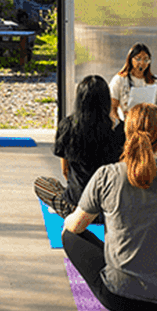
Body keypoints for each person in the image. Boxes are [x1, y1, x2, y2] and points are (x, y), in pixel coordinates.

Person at [61, 103, 157, 311]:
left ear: (126, 132)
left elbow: (75, 227)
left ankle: (123, 274)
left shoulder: (107, 175)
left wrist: (68, 217)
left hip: (119, 299)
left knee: (69, 235)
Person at [33, 74, 125, 216]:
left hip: (78, 205)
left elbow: (65, 171)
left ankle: (72, 210)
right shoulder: (120, 129)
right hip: (109, 206)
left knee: (41, 183)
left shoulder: (67, 126)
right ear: (106, 100)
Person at [108, 43, 157, 145]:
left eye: (146, 60)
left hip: (149, 124)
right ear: (130, 59)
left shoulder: (156, 81)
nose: (142, 63)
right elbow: (112, 108)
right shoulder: (119, 80)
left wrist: (154, 114)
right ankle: (145, 141)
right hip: (128, 124)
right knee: (116, 136)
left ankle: (141, 140)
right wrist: (120, 121)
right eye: (138, 59)